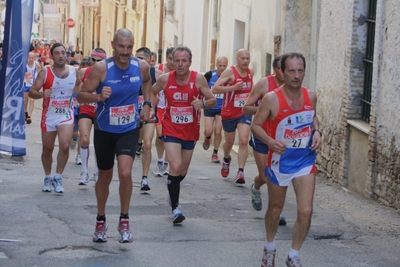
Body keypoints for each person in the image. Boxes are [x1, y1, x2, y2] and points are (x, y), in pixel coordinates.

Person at [77, 28, 152, 243]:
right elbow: (81, 95)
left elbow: (147, 81)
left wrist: (147, 103)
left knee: (126, 173)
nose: (125, 51)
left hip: (129, 128)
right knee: (105, 177)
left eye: (129, 47)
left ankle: (124, 219)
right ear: (113, 45)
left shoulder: (141, 66)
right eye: (121, 46)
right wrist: (99, 95)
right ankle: (101, 219)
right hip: (105, 129)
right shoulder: (101, 69)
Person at [251, 52, 322, 267]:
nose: (296, 75)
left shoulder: (311, 96)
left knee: (306, 211)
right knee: (275, 208)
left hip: (305, 161)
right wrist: (271, 142)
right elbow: (255, 125)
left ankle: (293, 255)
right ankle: (270, 247)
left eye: (300, 70)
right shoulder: (272, 98)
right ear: (282, 72)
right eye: (291, 70)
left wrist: (317, 131)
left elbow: (313, 116)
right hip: (280, 163)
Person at [151, 46, 216, 224]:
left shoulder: (199, 79)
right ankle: (175, 208)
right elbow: (152, 91)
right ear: (172, 61)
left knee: (182, 170)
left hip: (190, 130)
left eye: (184, 61)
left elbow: (212, 100)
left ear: (190, 62)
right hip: (170, 128)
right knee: (175, 165)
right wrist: (150, 107)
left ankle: (172, 185)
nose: (180, 64)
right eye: (176, 60)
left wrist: (202, 104)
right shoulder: (165, 79)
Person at [29, 42, 80, 194]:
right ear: (52, 56)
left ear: (67, 55)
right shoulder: (45, 72)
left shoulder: (74, 71)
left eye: (63, 53)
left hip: (66, 114)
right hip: (49, 115)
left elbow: (80, 85)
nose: (60, 56)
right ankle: (47, 176)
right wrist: (42, 94)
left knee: (64, 145)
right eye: (57, 53)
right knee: (47, 149)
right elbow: (32, 91)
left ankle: (58, 177)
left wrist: (76, 99)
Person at [242, 55, 286, 225]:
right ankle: (256, 186)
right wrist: (265, 109)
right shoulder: (264, 84)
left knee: (279, 176)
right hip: (262, 135)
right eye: (283, 69)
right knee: (265, 176)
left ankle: (275, 212)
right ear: (275, 70)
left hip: (281, 138)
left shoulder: (293, 86)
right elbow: (246, 108)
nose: (288, 73)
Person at [212, 49, 253, 185]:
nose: (245, 61)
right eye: (243, 58)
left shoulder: (250, 73)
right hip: (229, 112)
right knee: (229, 143)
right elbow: (215, 88)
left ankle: (240, 172)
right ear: (237, 59)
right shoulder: (230, 72)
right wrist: (233, 88)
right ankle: (227, 158)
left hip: (244, 112)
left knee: (243, 140)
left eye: (248, 58)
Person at [77, 52, 106, 186]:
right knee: (84, 139)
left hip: (101, 111)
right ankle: (84, 172)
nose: (95, 62)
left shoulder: (108, 73)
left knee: (100, 144)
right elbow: (76, 86)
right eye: (93, 60)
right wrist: (77, 100)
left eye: (98, 60)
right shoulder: (83, 72)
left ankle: (97, 172)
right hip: (86, 109)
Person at [134, 47, 158, 192]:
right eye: (136, 58)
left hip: (148, 111)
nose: (139, 61)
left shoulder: (157, 74)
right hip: (131, 112)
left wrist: (153, 106)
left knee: (148, 145)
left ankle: (144, 178)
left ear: (149, 60)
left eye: (142, 58)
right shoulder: (129, 72)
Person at [202, 56, 228, 163]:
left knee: (218, 131)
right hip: (209, 106)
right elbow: (200, 86)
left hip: (221, 107)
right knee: (208, 130)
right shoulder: (209, 75)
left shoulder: (229, 77)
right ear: (216, 64)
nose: (222, 68)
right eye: (220, 65)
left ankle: (215, 153)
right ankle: (207, 137)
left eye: (224, 66)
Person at [153, 47, 175, 176]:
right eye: (170, 59)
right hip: (160, 107)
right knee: (160, 134)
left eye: (174, 59)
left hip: (173, 109)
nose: (173, 62)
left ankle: (166, 163)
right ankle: (160, 161)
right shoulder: (158, 69)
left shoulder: (181, 71)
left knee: (170, 136)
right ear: (166, 58)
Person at [23, 52, 41, 124]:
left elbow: (40, 74)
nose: (31, 59)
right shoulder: (24, 64)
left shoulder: (36, 65)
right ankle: (25, 113)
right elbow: (19, 72)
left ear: (34, 58)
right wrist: (25, 73)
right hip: (25, 84)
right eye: (29, 58)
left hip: (32, 85)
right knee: (25, 101)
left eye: (32, 58)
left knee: (32, 101)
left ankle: (29, 116)